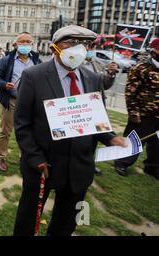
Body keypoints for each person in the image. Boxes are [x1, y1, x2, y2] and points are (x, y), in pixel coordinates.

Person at [13, 25, 127, 236]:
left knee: (66, 221)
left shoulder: (92, 78)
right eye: (71, 43)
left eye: (83, 44)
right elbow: (21, 123)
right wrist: (35, 157)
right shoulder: (33, 76)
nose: (79, 49)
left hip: (79, 164)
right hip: (43, 163)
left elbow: (96, 118)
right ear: (54, 48)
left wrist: (111, 138)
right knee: (29, 218)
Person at [0, 32, 42, 172]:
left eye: (28, 42)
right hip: (12, 100)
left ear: (32, 44)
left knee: (29, 132)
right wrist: (4, 84)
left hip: (31, 103)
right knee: (5, 131)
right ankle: (1, 157)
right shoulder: (7, 60)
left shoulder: (36, 61)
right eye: (22, 41)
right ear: (16, 44)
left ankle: (25, 158)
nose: (25, 44)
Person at [114, 38, 159, 180]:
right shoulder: (141, 68)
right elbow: (130, 92)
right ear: (154, 52)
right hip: (143, 114)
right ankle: (121, 163)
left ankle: (152, 168)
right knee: (134, 140)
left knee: (157, 144)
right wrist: (134, 113)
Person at [83, 42, 119, 175]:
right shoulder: (74, 64)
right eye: (88, 47)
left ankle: (89, 164)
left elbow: (105, 84)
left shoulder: (97, 63)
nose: (91, 50)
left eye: (93, 47)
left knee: (94, 138)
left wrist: (110, 73)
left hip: (96, 108)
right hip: (80, 108)